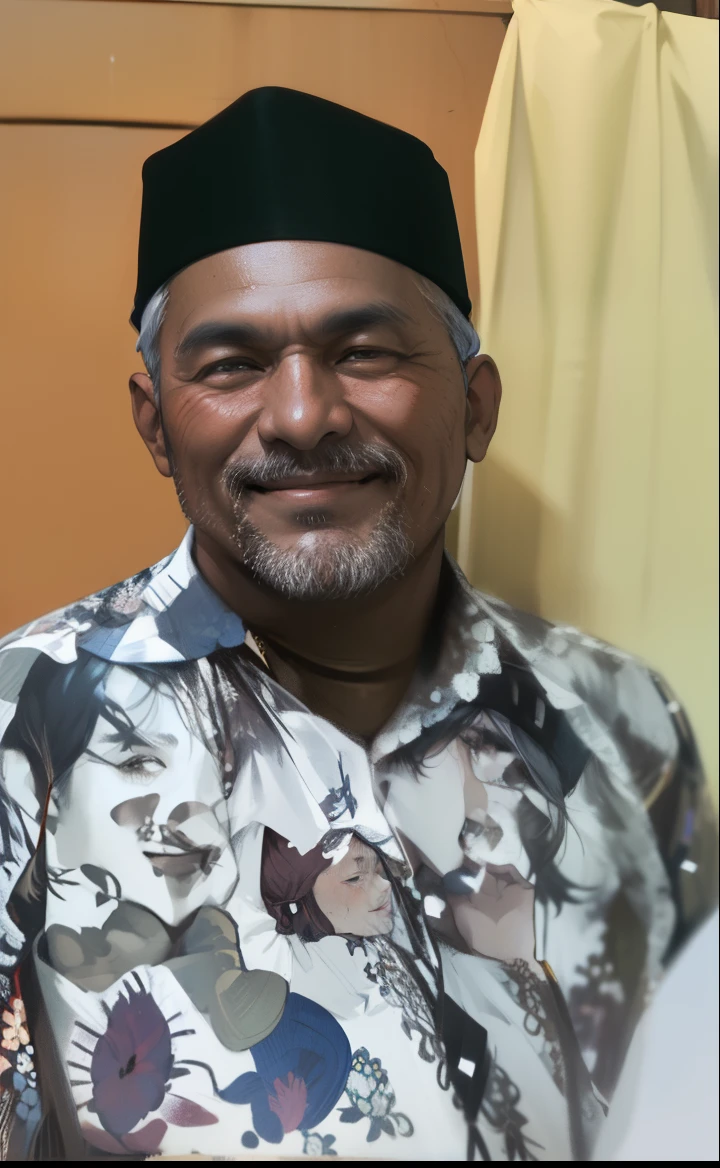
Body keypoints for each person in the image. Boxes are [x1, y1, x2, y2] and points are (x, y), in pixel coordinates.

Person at [0, 86, 716, 1162]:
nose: (300, 415)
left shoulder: (621, 719)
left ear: (475, 406)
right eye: (232, 364)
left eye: (367, 351)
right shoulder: (27, 730)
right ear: (156, 423)